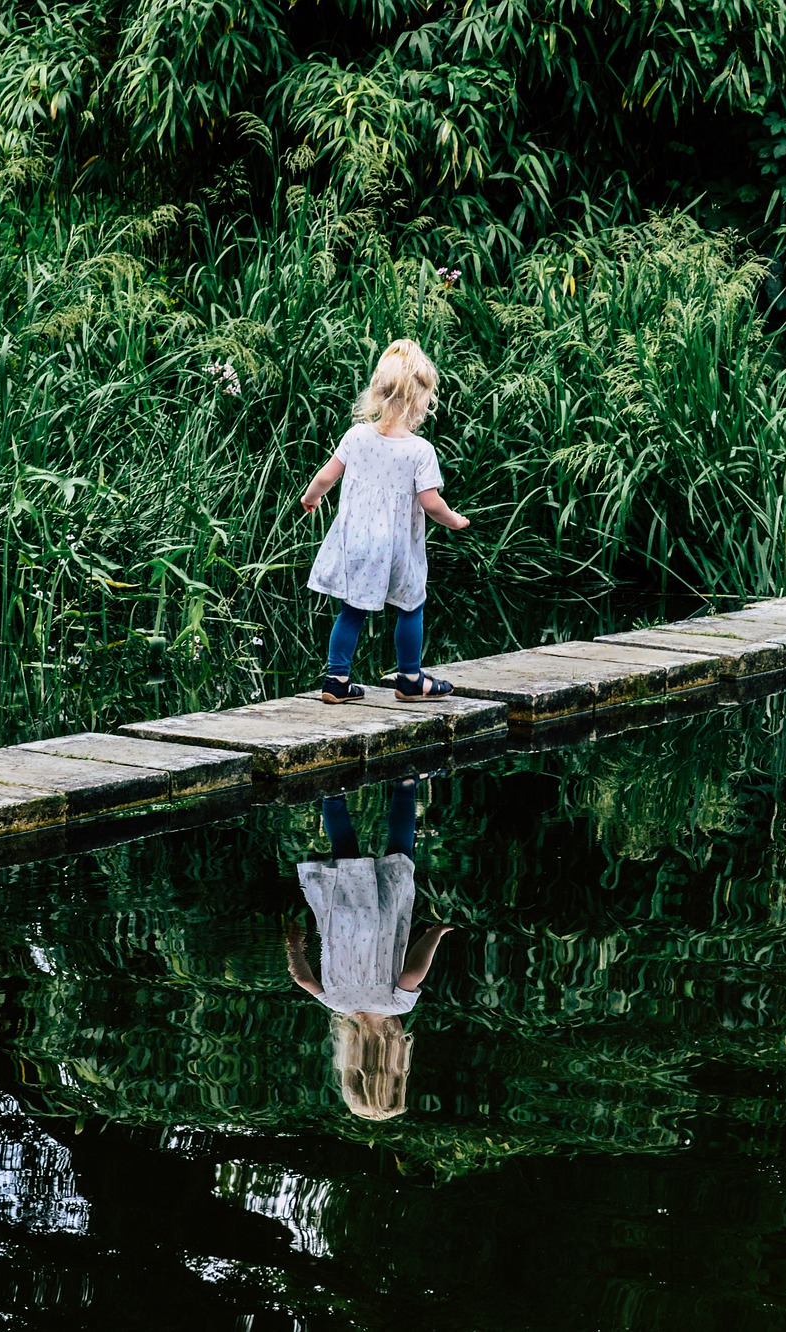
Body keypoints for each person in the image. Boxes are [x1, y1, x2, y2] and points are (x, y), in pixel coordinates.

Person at [300, 338, 470, 704]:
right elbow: (431, 502)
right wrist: (454, 520)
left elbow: (325, 477)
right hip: (396, 546)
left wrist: (311, 498)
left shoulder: (356, 436)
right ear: (417, 400)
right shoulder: (420, 450)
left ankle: (336, 679)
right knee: (412, 604)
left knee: (352, 609)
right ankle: (410, 678)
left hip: (356, 541)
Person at [286, 780, 453, 1120]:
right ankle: (332, 792)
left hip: (385, 917)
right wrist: (294, 943)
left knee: (400, 851)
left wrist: (435, 934)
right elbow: (302, 979)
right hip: (344, 918)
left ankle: (405, 784)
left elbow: (412, 973)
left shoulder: (398, 1004)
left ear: (396, 1064)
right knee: (344, 847)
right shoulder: (336, 1002)